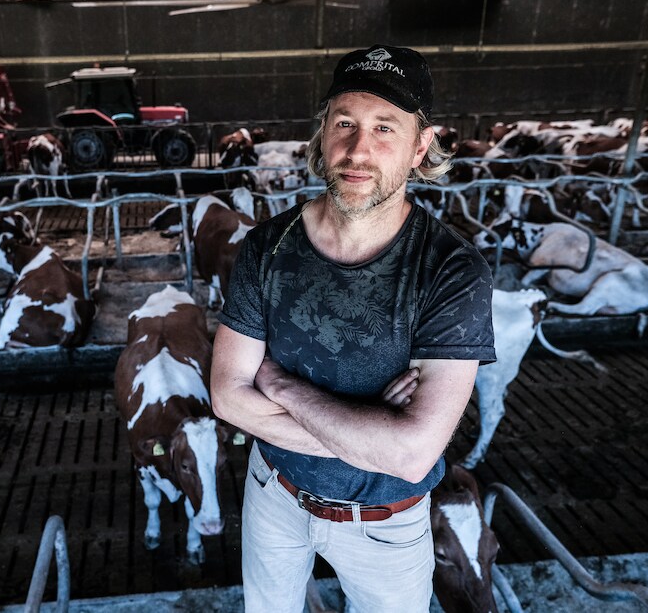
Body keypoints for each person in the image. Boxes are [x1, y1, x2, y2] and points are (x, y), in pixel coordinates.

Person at [211, 45, 496, 612]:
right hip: (275, 493)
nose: (358, 150)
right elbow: (226, 397)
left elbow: (413, 457)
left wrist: (285, 388)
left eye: (385, 128)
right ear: (323, 133)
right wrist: (376, 434)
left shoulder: (452, 270)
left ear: (421, 146)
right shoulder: (268, 246)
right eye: (345, 122)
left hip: (387, 524)